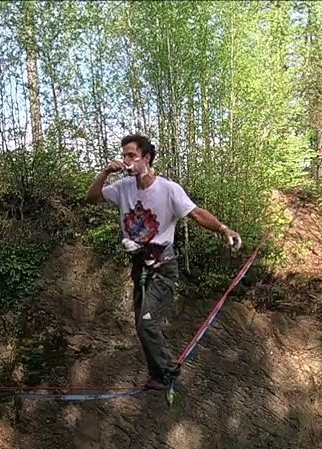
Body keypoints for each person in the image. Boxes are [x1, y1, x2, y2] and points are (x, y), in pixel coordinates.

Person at [87, 133, 242, 392]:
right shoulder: (122, 188)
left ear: (146, 159)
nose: (126, 161)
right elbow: (91, 198)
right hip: (139, 266)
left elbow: (196, 213)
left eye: (132, 156)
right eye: (124, 155)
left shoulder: (168, 189)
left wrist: (224, 229)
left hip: (162, 266)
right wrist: (104, 173)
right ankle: (157, 376)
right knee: (142, 325)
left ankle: (168, 372)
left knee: (147, 321)